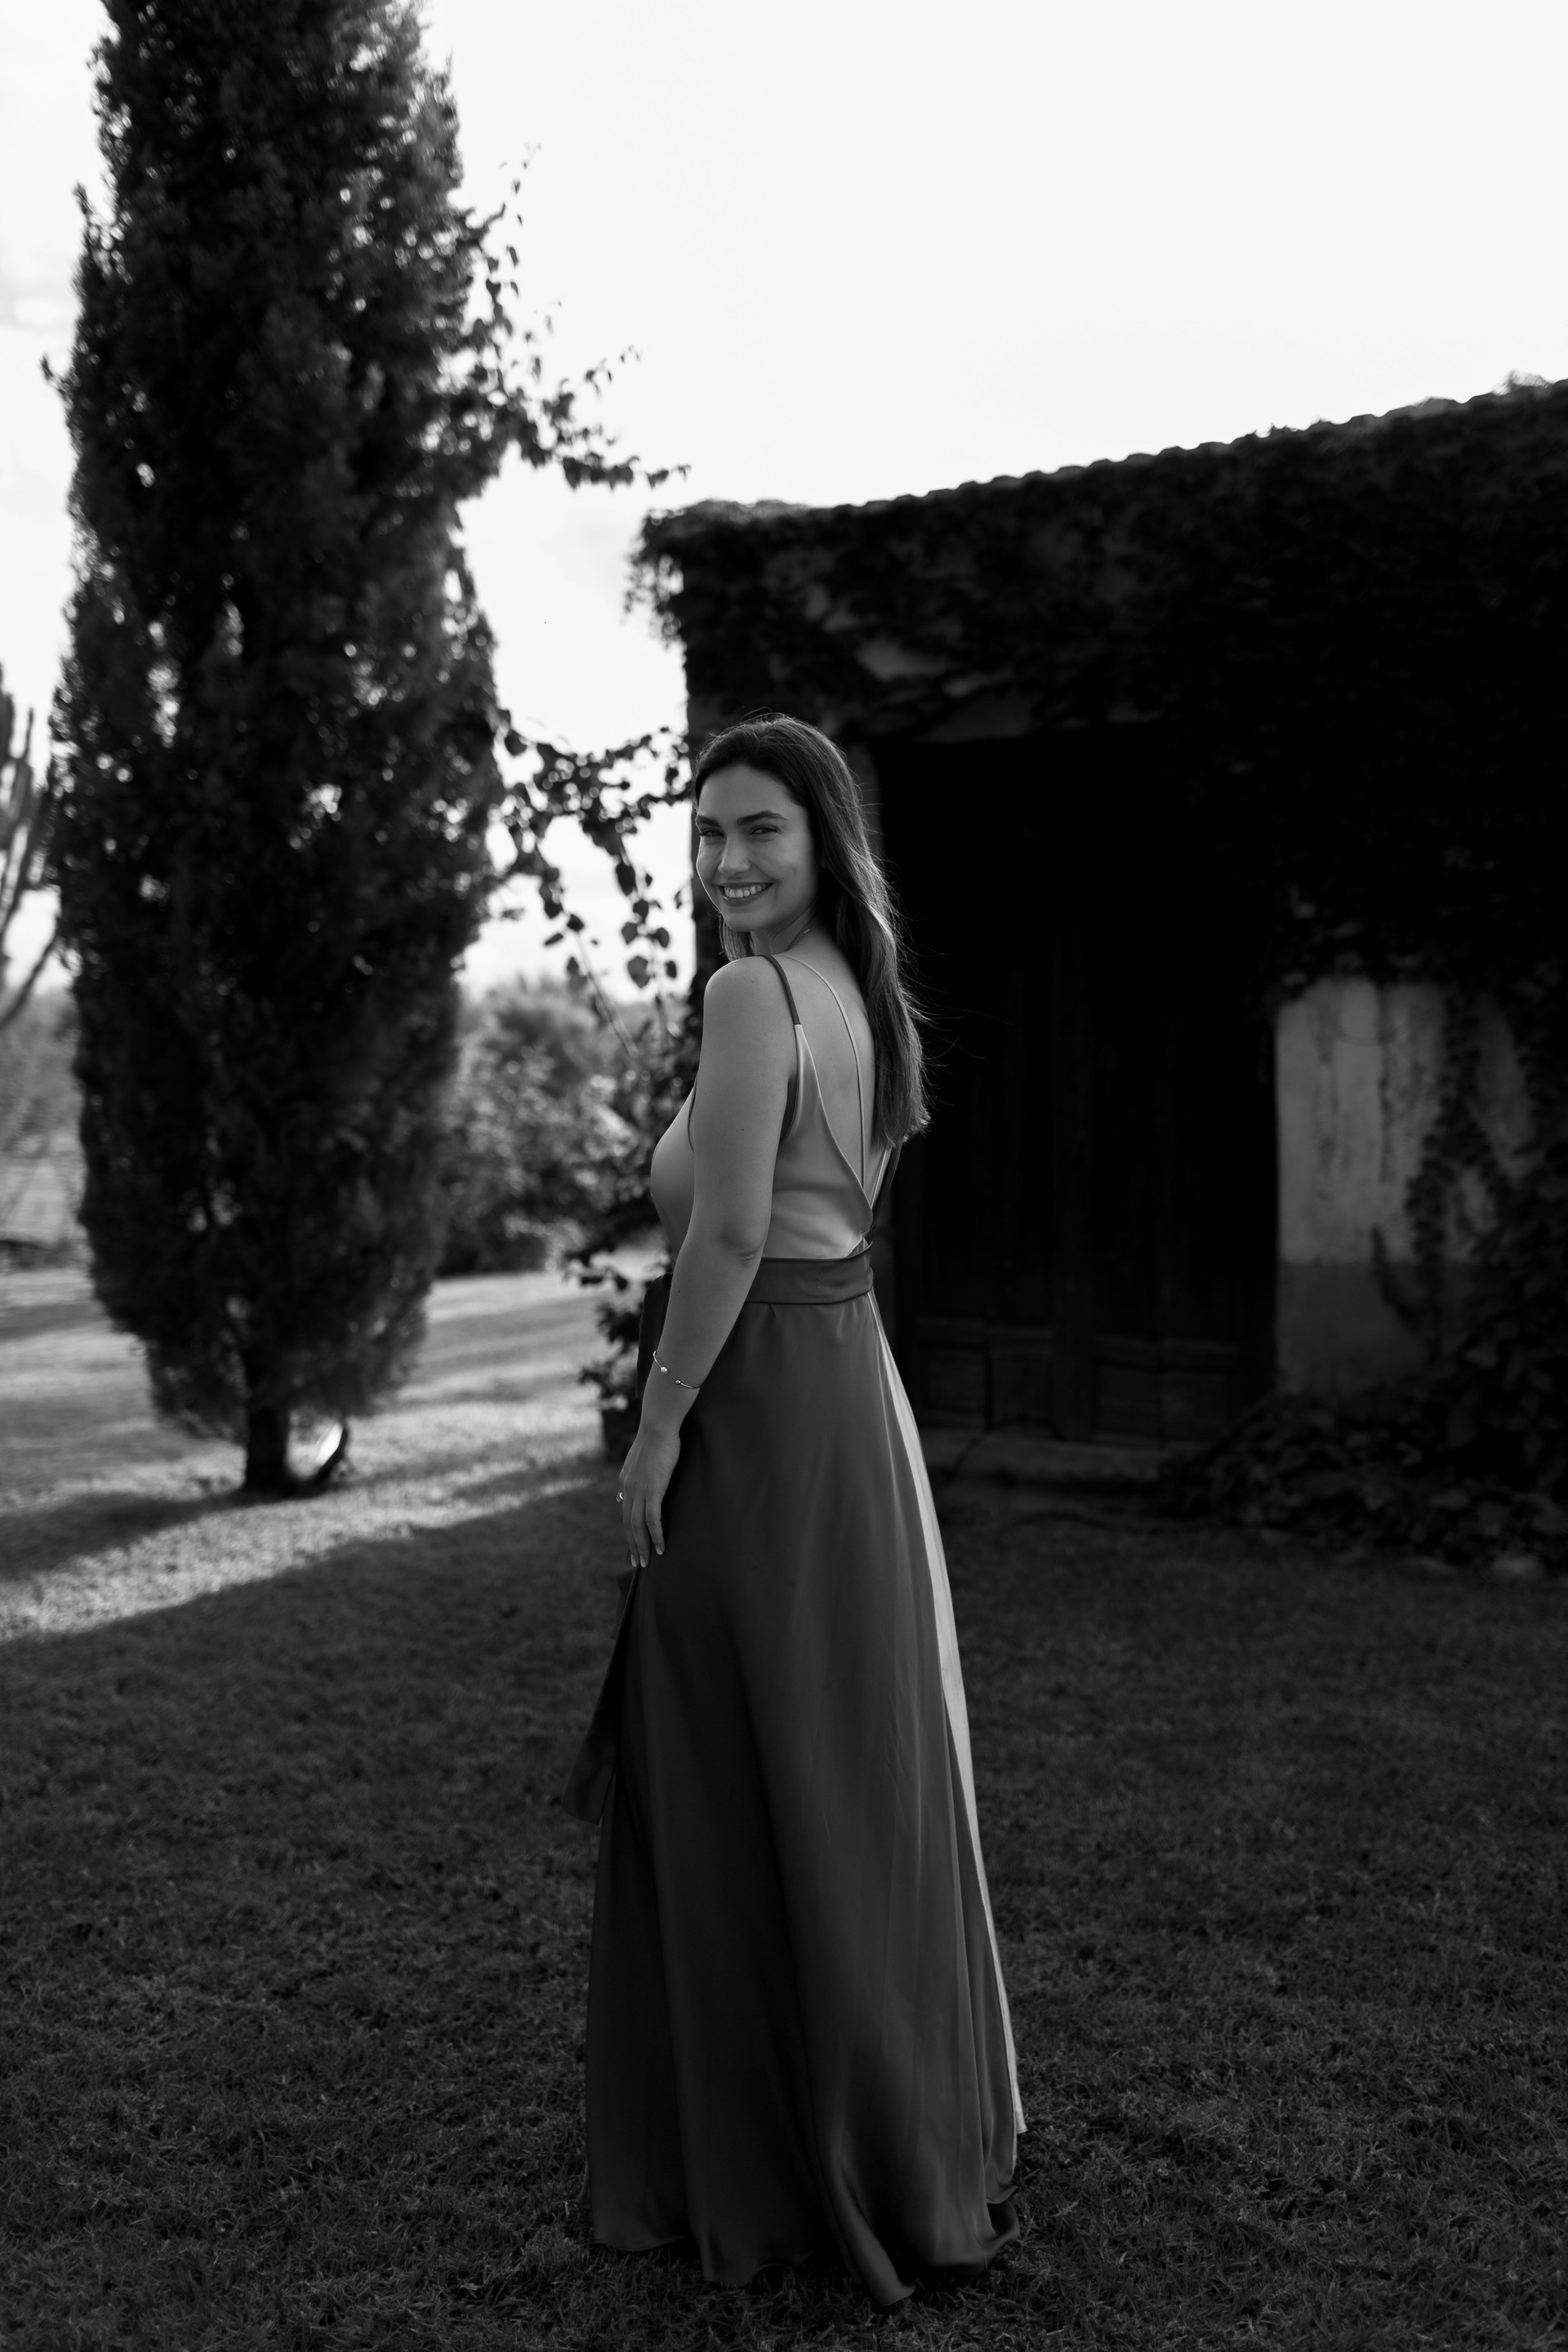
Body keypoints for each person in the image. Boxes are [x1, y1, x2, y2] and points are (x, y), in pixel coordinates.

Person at [564, 714, 1023, 2306]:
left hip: (760, 1400)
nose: (729, 860)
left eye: (761, 828)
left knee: (731, 1750)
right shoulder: (855, 991)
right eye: (709, 834)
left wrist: (657, 1430)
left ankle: (764, 2157)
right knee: (834, 1758)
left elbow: (732, 1231)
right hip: (847, 1391)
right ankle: (880, 2125)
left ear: (826, 838)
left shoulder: (754, 996)